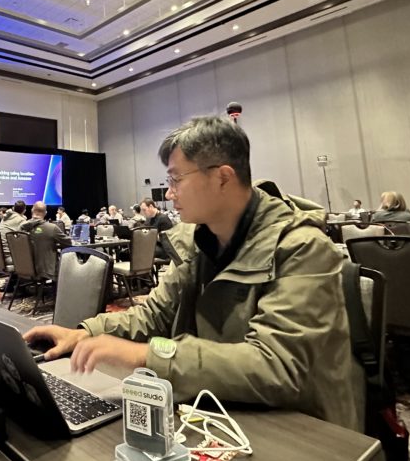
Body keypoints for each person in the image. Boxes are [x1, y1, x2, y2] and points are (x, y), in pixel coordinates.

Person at [24, 115, 363, 431]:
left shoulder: (302, 247)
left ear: (222, 177)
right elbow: (155, 315)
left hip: (305, 432)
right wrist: (86, 333)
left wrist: (147, 356)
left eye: (176, 179)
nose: (169, 193)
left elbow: (277, 365)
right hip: (221, 410)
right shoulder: (199, 241)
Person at [21, 201, 70, 280]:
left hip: (25, 268)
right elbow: (68, 243)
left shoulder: (21, 228)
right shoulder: (52, 228)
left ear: (32, 210)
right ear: (45, 213)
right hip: (45, 271)